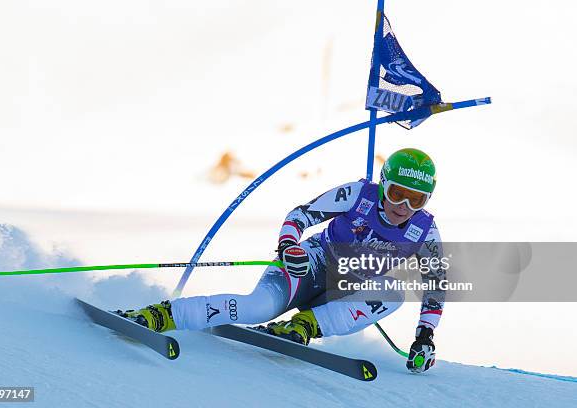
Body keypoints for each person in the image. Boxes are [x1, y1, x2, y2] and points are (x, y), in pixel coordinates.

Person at [118, 148, 446, 373]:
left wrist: (424, 336)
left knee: (394, 292)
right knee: (257, 308)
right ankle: (162, 314)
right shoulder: (358, 194)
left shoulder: (425, 231)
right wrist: (289, 246)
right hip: (311, 264)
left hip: (344, 290)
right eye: (396, 194)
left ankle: (303, 326)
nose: (403, 205)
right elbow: (300, 215)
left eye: (415, 199)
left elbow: (436, 287)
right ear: (383, 185)